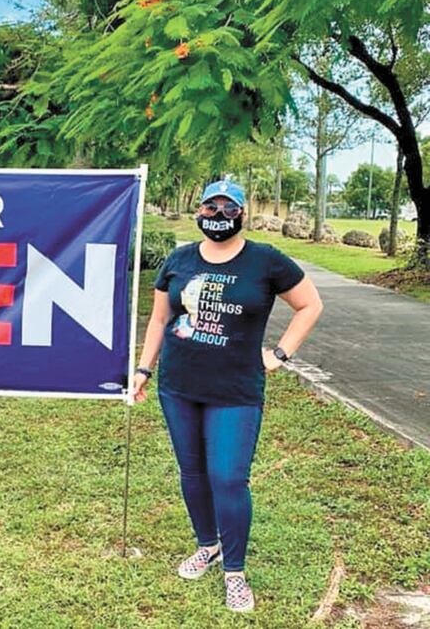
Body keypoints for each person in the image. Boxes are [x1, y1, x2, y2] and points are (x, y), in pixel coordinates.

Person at [132, 179, 323, 612]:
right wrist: (144, 368)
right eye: (210, 207)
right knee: (192, 472)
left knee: (228, 477)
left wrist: (280, 353)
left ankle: (234, 570)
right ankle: (207, 545)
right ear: (198, 211)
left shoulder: (265, 261)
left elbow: (310, 305)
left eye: (227, 208)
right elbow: (160, 319)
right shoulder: (179, 260)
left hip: (236, 390)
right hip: (179, 386)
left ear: (241, 214)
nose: (217, 216)